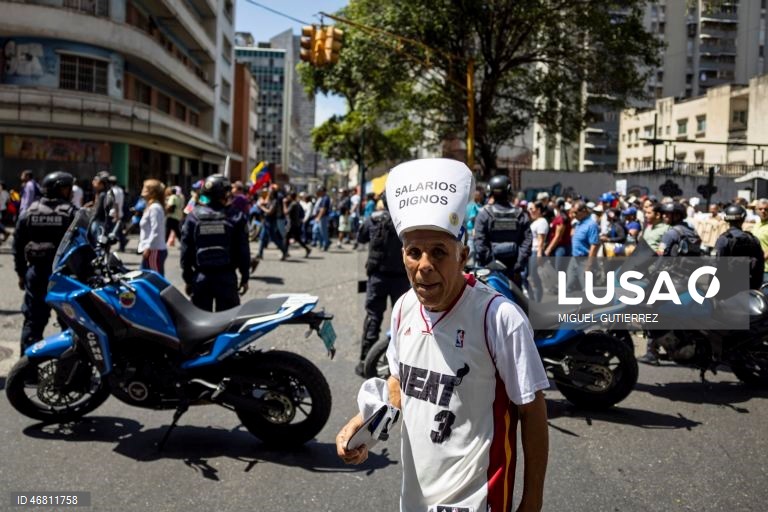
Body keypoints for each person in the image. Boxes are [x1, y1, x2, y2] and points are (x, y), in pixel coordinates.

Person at [336, 158, 549, 512]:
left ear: (462, 255)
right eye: (414, 252)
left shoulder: (498, 317)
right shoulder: (404, 307)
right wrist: (362, 424)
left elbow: (532, 410)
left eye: (439, 252)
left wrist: (532, 500)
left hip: (478, 497)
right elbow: (400, 382)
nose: (424, 266)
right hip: (416, 496)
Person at [13, 171, 77, 352]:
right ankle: (70, 373)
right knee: (70, 325)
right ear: (61, 189)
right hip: (64, 277)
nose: (70, 192)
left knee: (33, 323)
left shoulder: (29, 213)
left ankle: (27, 374)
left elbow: (17, 248)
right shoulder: (72, 214)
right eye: (67, 188)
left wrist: (21, 273)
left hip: (35, 274)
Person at [354, 197, 410, 377]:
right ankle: (404, 360)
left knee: (372, 317)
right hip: (401, 278)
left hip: (377, 276)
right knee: (403, 320)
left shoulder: (373, 218)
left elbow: (360, 237)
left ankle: (365, 361)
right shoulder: (406, 218)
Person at [180, 174, 250, 312]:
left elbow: (186, 251)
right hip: (226, 278)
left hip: (201, 278)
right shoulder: (236, 216)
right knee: (228, 325)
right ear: (225, 193)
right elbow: (243, 250)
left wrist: (188, 279)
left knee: (200, 326)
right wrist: (245, 276)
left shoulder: (193, 216)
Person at [473, 174, 532, 284]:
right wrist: (518, 265)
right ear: (509, 190)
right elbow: (527, 242)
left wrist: (491, 263)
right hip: (514, 272)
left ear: (490, 191)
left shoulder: (484, 214)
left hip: (491, 273)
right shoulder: (520, 214)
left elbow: (479, 243)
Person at [715, 204, 764, 290]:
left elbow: (718, 265)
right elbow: (760, 265)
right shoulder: (752, 239)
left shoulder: (724, 239)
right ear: (743, 219)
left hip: (728, 288)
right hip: (749, 287)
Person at [137, 179, 168, 275]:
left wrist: (148, 247)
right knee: (145, 277)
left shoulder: (155, 208)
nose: (142, 190)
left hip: (154, 250)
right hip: (151, 250)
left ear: (152, 192)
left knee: (156, 280)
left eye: (145, 188)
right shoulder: (151, 206)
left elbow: (156, 230)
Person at [284, 191, 311, 258]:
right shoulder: (297, 203)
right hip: (296, 223)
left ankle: (285, 252)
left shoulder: (293, 204)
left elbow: (286, 212)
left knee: (286, 237)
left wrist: (284, 204)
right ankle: (307, 249)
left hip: (292, 224)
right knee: (297, 238)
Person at [750, 198, 768, 283]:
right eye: (760, 209)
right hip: (757, 269)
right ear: (756, 210)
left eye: (766, 209)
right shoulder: (756, 225)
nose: (763, 211)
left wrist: (759, 261)